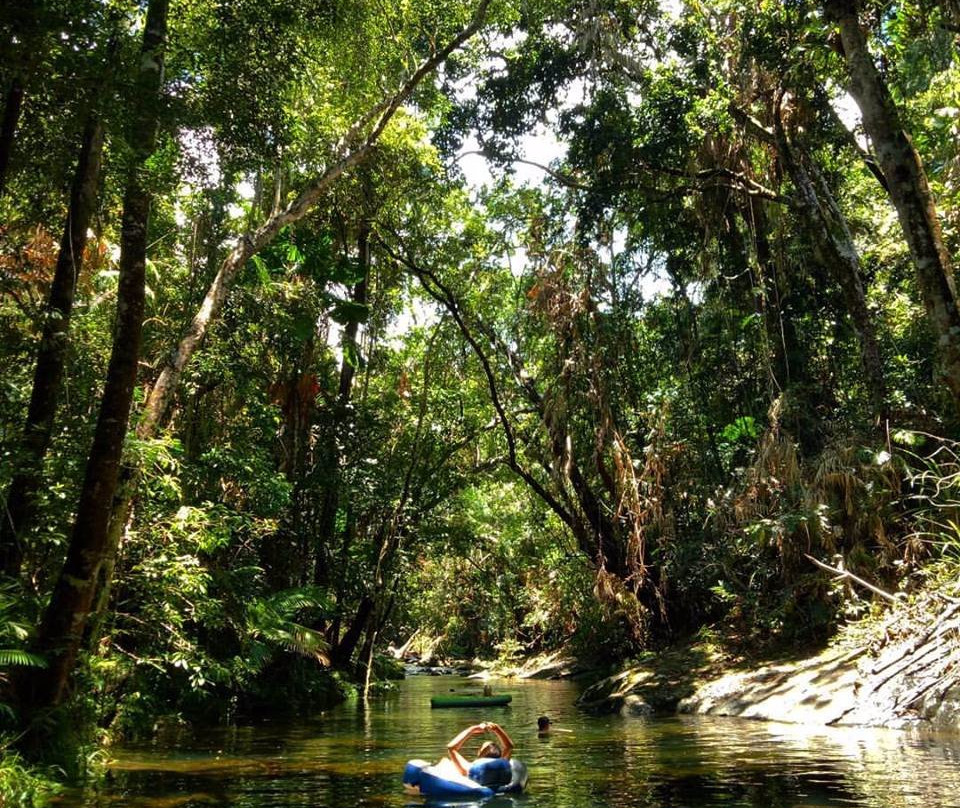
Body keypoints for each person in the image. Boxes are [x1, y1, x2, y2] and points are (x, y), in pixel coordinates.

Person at [445, 721, 514, 776]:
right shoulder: (502, 765)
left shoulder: (471, 769)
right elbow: (509, 747)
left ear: (479, 752)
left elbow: (451, 748)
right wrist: (497, 729)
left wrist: (472, 729)